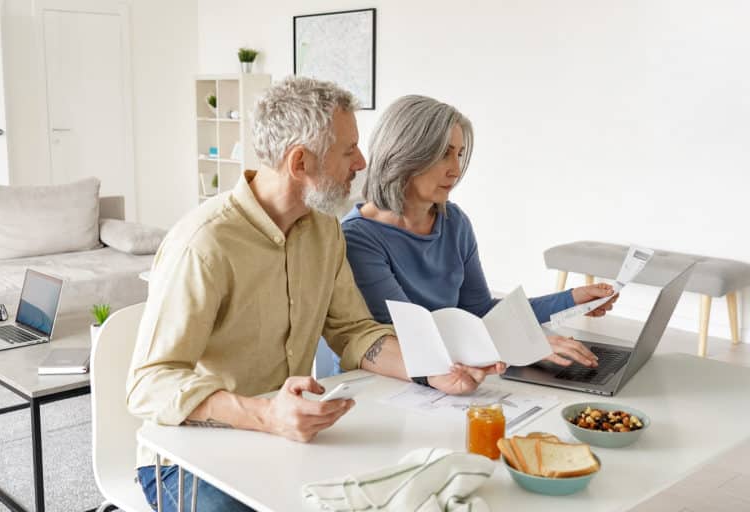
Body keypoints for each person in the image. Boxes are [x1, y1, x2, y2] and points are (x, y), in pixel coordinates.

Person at [126, 79, 500, 512]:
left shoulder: (324, 231)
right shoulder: (204, 244)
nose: (362, 162)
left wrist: (430, 370)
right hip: (188, 458)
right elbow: (149, 384)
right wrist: (267, 415)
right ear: (300, 162)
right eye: (348, 151)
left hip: (290, 439)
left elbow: (355, 332)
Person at [342, 95, 617, 369]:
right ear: (403, 153)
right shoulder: (359, 239)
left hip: (445, 375)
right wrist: (523, 343)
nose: (456, 170)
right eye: (443, 154)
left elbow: (481, 312)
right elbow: (412, 336)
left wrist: (571, 300)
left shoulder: (454, 222)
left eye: (459, 154)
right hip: (380, 384)